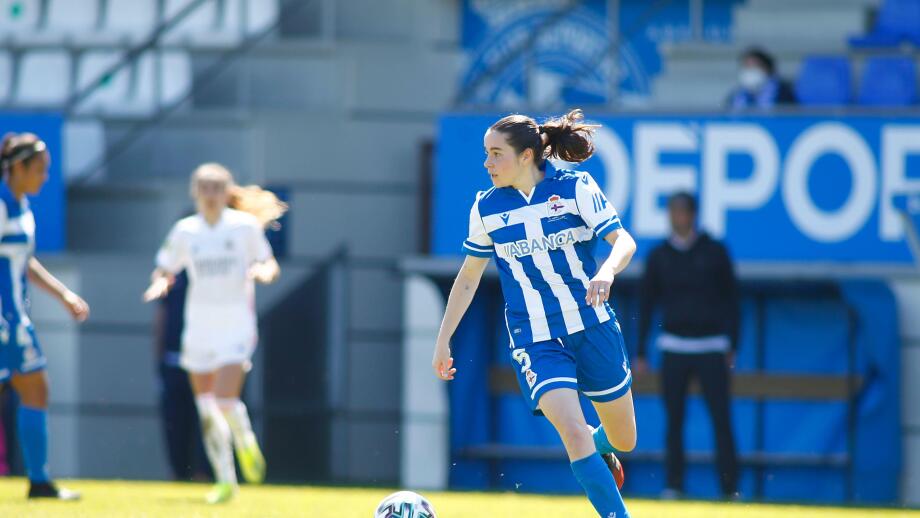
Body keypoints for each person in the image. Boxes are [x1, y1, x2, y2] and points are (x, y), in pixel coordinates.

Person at [432, 109, 637, 518]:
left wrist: (606, 272)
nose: (487, 163)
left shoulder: (575, 187)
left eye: (496, 153)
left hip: (593, 326)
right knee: (574, 433)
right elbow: (469, 277)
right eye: (485, 154)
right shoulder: (486, 208)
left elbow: (623, 241)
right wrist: (443, 339)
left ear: (527, 155)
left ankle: (604, 450)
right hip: (536, 338)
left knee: (624, 440)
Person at [143, 163, 286, 504]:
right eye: (203, 189)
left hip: (235, 327)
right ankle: (226, 482)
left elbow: (269, 263)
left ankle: (245, 439)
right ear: (195, 193)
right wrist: (160, 282)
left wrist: (263, 272)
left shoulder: (244, 227)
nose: (209, 196)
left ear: (227, 193)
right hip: (199, 330)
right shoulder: (185, 231)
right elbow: (165, 266)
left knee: (223, 400)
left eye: (215, 189)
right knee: (206, 408)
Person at [0, 133, 90, 500]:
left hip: (16, 318)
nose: (44, 177)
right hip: (4, 319)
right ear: (17, 168)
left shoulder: (23, 208)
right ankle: (38, 481)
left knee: (36, 387)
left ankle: (39, 481)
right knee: (33, 386)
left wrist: (64, 295)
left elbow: (25, 264)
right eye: (39, 169)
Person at [636, 192, 740, 500]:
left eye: (682, 212)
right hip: (674, 348)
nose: (677, 217)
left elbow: (732, 301)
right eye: (672, 212)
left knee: (721, 420)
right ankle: (674, 484)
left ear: (693, 215)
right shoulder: (659, 255)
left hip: (711, 347)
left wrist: (733, 343)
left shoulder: (716, 252)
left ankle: (730, 488)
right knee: (674, 420)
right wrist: (641, 351)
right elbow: (646, 305)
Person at [154, 269, 211, 482]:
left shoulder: (210, 277)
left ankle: (205, 475)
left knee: (206, 422)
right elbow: (161, 319)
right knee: (176, 424)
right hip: (174, 362)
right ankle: (179, 474)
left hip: (204, 364)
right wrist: (159, 363)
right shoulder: (174, 275)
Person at [727, 47, 797, 111]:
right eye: (747, 67)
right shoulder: (735, 96)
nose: (751, 71)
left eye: (756, 66)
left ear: (769, 69)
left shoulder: (784, 94)